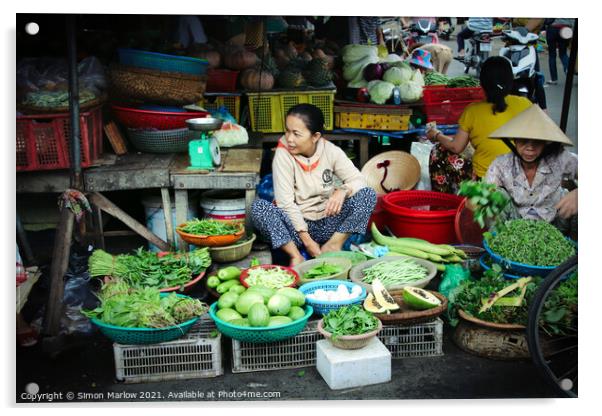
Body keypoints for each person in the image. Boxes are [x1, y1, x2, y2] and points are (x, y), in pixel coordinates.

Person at [251, 104, 377, 266]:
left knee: (367, 195)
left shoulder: (331, 151)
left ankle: (334, 245)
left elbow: (359, 180)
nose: (289, 139)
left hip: (328, 222)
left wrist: (343, 190)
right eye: (287, 131)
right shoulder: (283, 155)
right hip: (297, 229)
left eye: (296, 134)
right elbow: (285, 203)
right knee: (259, 208)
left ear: (315, 137)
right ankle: (296, 256)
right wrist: (308, 242)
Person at [425, 56, 533, 191]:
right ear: (510, 82)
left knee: (438, 151)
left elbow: (456, 147)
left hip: (485, 184)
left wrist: (436, 135)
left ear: (482, 84)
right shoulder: (525, 104)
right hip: (522, 181)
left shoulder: (473, 111)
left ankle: (444, 203)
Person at [485, 105, 577, 233]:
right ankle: (499, 242)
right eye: (523, 141)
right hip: (515, 224)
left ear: (545, 142)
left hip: (554, 222)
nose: (530, 148)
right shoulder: (501, 164)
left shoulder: (560, 158)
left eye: (537, 141)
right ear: (515, 141)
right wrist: (479, 200)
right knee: (494, 197)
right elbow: (486, 190)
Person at [545, 18, 574, 85]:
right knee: (563, 53)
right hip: (566, 29)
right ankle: (567, 69)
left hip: (552, 28)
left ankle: (554, 79)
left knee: (552, 55)